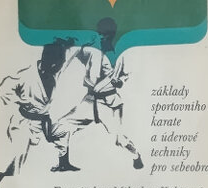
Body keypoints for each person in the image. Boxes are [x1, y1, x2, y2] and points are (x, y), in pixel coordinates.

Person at [46, 18, 144, 171]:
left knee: (119, 140)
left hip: (110, 104)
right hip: (90, 101)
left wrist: (120, 82)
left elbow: (125, 75)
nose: (102, 37)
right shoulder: (91, 49)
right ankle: (63, 162)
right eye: (100, 33)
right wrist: (67, 42)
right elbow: (75, 50)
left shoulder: (120, 54)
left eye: (106, 34)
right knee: (62, 126)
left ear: (112, 35)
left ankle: (136, 156)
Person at [0, 41, 69, 188]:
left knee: (64, 130)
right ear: (53, 63)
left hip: (42, 122)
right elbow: (3, 89)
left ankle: (64, 163)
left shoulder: (53, 74)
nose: (62, 65)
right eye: (61, 62)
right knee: (16, 153)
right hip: (23, 122)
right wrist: (21, 101)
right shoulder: (26, 76)